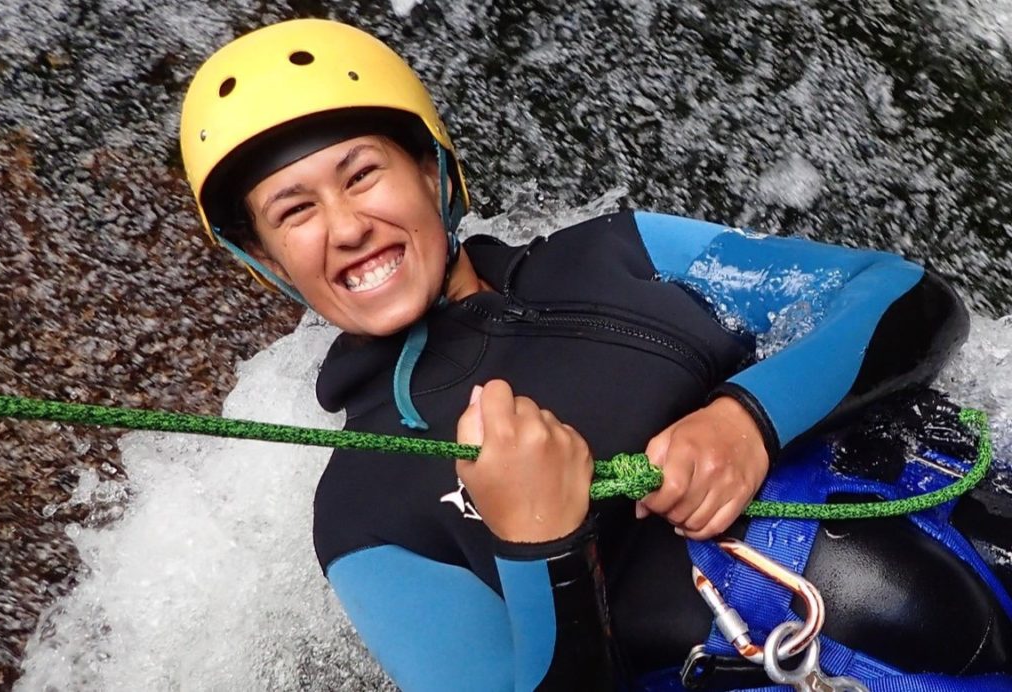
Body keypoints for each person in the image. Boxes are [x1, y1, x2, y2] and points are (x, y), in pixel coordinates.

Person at [179, 18, 1012, 691]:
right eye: (295, 211)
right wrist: (542, 546)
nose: (347, 226)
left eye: (362, 174)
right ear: (267, 261)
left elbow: (905, 297)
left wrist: (747, 419)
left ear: (434, 169)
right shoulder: (364, 510)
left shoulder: (619, 253)